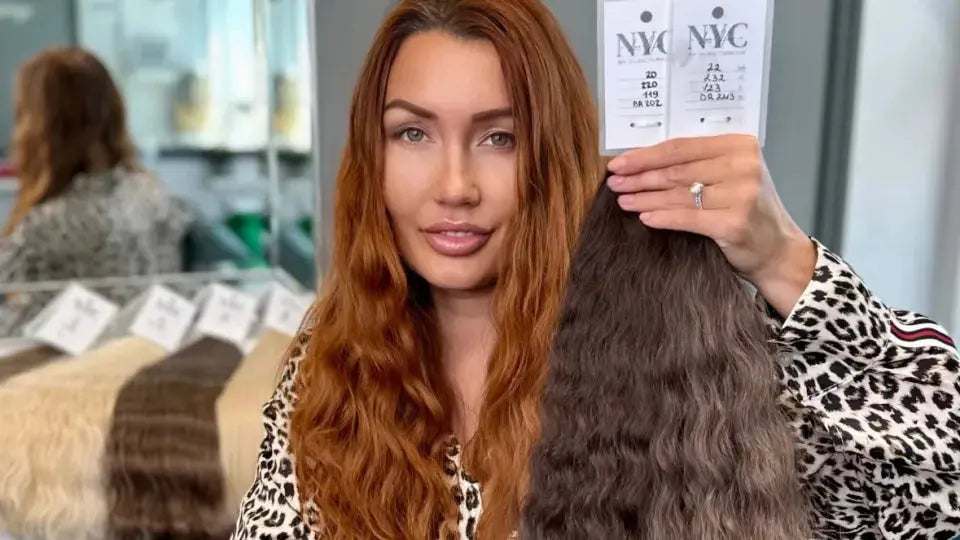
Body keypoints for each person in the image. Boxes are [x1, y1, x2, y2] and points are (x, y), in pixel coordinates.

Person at [232, 1, 960, 538]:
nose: (454, 186)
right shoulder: (332, 365)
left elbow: (938, 487)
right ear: (373, 155)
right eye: (413, 133)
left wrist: (782, 260)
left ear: (552, 156)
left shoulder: (663, 350)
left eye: (499, 137)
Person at [0, 47, 191, 334]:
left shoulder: (46, 226)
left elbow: (13, 335)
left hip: (76, 374)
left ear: (39, 125)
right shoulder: (152, 196)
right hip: (149, 363)